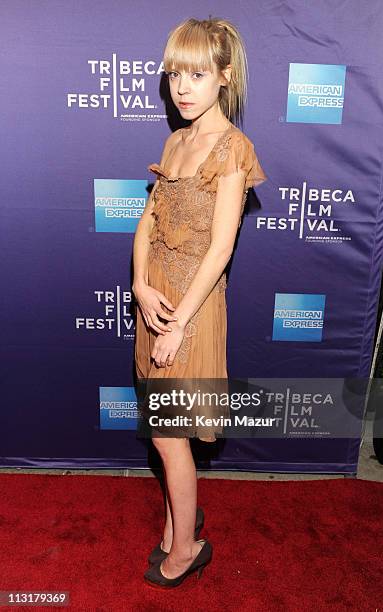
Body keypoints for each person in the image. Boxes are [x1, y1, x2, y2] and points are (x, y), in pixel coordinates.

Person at [132, 17, 267, 588]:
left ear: (224, 76)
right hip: (156, 298)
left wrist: (178, 323)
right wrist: (140, 286)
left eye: (197, 74)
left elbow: (220, 247)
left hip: (193, 306)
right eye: (174, 74)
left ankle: (187, 547)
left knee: (169, 433)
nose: (182, 87)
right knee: (167, 432)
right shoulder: (175, 140)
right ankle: (175, 523)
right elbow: (148, 222)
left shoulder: (233, 147)